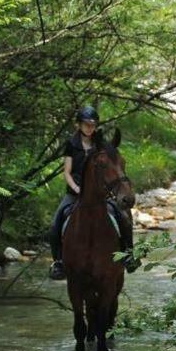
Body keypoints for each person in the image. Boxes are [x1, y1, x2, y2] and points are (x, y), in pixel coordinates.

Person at [48, 106, 136, 280]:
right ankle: (58, 262)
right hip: (75, 192)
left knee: (124, 217)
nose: (89, 128)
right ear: (79, 125)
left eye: (92, 125)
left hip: (101, 194)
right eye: (86, 124)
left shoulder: (100, 143)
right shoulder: (71, 144)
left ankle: (128, 254)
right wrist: (77, 189)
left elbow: (111, 163)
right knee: (55, 224)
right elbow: (67, 172)